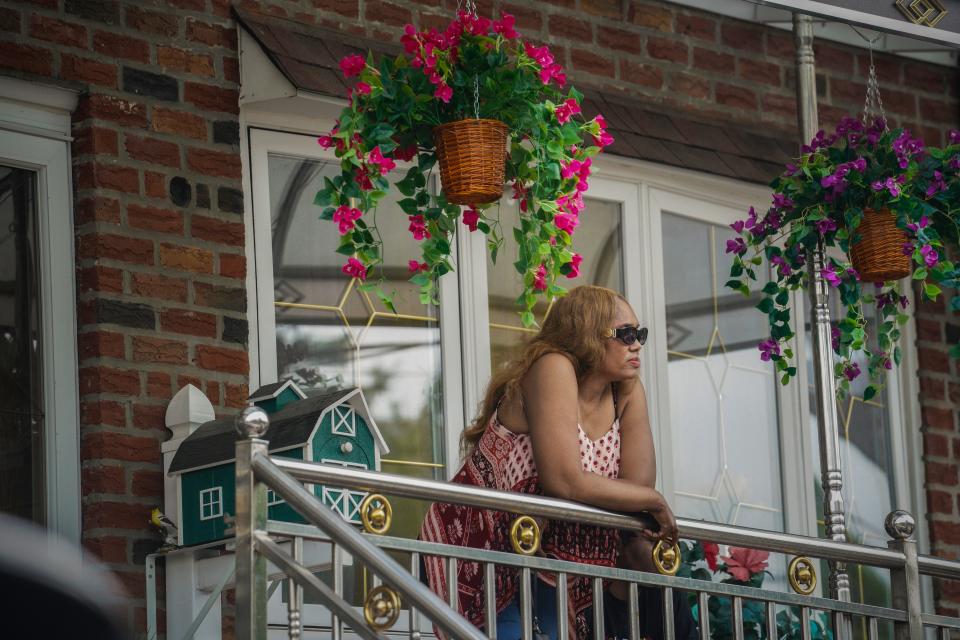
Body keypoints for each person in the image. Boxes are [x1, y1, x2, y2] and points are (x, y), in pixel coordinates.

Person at [420, 285, 681, 639]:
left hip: (544, 548)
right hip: (481, 545)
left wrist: (646, 497)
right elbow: (564, 479)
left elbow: (635, 489)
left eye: (640, 334)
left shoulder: (626, 390)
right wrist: (653, 502)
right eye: (626, 334)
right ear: (587, 334)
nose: (637, 344)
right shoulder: (553, 366)